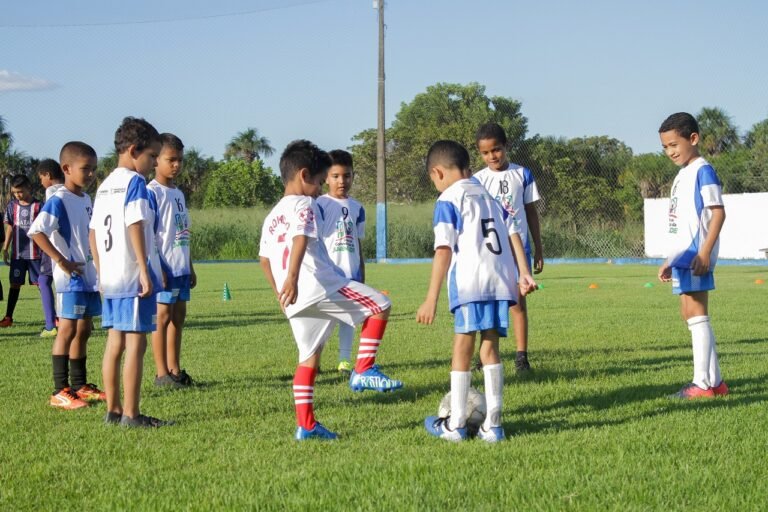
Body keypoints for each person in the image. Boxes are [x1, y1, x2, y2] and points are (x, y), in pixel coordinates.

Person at [259, 139, 403, 441]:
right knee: (380, 305)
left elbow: (264, 259)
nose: (320, 187)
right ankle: (363, 370)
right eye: (320, 179)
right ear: (304, 175)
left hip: (294, 300)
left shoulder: (271, 217)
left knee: (308, 358)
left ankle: (307, 426)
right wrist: (293, 278)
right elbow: (300, 237)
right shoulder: (304, 203)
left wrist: (280, 292)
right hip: (318, 284)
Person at [417, 140, 537, 442]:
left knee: (462, 347)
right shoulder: (488, 195)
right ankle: (493, 426)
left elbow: (443, 249)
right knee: (490, 349)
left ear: (437, 173)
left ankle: (456, 424)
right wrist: (523, 272)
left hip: (471, 282)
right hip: (500, 282)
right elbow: (513, 231)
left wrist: (431, 298)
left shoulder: (448, 199)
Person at [89, 116, 171, 427]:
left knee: (114, 343)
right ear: (134, 150)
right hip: (131, 275)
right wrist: (144, 269)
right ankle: (132, 414)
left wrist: (101, 270)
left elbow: (93, 233)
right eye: (152, 155)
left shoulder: (104, 186)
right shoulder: (134, 182)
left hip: (111, 278)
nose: (154, 163)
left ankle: (112, 410)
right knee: (136, 343)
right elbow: (134, 223)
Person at [657, 112, 729, 399]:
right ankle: (716, 382)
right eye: (665, 147)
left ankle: (702, 385)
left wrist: (705, 251)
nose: (670, 152)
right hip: (682, 256)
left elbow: (718, 213)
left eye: (674, 144)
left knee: (698, 315)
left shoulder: (703, 170)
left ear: (694, 139)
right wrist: (670, 259)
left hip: (696, 255)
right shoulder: (681, 175)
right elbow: (681, 221)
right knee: (688, 313)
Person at [29, 142, 105, 409]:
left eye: (94, 169)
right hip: (70, 279)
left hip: (88, 276)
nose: (91, 174)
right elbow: (37, 232)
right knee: (67, 329)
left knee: (84, 329)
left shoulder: (86, 199)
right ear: (67, 168)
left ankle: (79, 385)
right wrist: (61, 260)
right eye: (85, 169)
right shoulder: (58, 200)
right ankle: (59, 391)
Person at [474, 122, 543, 373]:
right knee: (489, 303)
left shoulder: (522, 174)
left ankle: (521, 357)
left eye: (496, 149)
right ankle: (484, 356)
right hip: (491, 252)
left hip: (519, 249)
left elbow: (531, 212)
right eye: (485, 152)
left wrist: (538, 248)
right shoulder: (477, 180)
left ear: (506, 146)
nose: (492, 156)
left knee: (517, 304)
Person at [148, 133, 196, 388]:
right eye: (171, 160)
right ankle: (161, 373)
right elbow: (149, 235)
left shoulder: (178, 193)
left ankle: (175, 369)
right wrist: (158, 268)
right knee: (162, 317)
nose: (177, 165)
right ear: (156, 159)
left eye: (180, 160)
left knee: (178, 317)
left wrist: (190, 266)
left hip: (181, 267)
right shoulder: (151, 192)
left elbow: (183, 230)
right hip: (164, 268)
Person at [316, 149, 366, 375]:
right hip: (327, 272)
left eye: (347, 175)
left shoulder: (358, 208)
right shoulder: (319, 204)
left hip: (350, 273)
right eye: (335, 176)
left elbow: (358, 242)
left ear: (353, 176)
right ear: (326, 177)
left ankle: (344, 360)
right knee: (323, 319)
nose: (341, 181)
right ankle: (314, 360)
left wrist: (361, 271)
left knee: (349, 317)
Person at [1, 175, 49, 330]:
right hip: (18, 255)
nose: (17, 195)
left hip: (36, 254)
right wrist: (5, 248)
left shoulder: (39, 206)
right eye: (15, 192)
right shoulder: (12, 206)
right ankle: (8, 317)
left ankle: (52, 318)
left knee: (42, 285)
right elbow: (10, 228)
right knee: (14, 285)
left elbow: (45, 229)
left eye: (20, 191)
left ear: (29, 188)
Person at [37, 158, 65, 337]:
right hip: (73, 245)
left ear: (48, 175)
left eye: (41, 178)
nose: (41, 182)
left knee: (43, 280)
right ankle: (83, 320)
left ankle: (51, 325)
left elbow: (48, 223)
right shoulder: (71, 189)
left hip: (55, 244)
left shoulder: (52, 191)